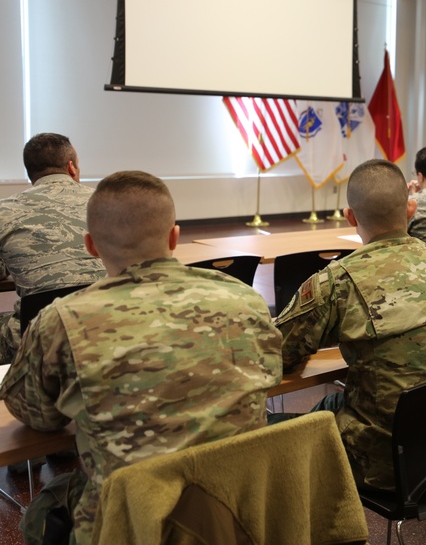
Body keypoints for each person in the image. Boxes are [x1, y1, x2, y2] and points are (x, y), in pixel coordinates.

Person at [0, 170, 283, 545]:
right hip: (236, 517)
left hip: (127, 523)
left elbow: (34, 413)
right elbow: (271, 373)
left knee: (41, 511)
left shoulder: (61, 320)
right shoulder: (245, 300)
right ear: (174, 236)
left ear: (90, 245)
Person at [276, 159, 426, 490]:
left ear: (350, 216)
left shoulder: (336, 280)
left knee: (268, 429)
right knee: (332, 404)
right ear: (411, 209)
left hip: (381, 463)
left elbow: (280, 356)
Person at [0, 133, 105, 363]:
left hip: (38, 334)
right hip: (109, 324)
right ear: (71, 167)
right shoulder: (108, 202)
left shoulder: (4, 211)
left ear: (31, 175)